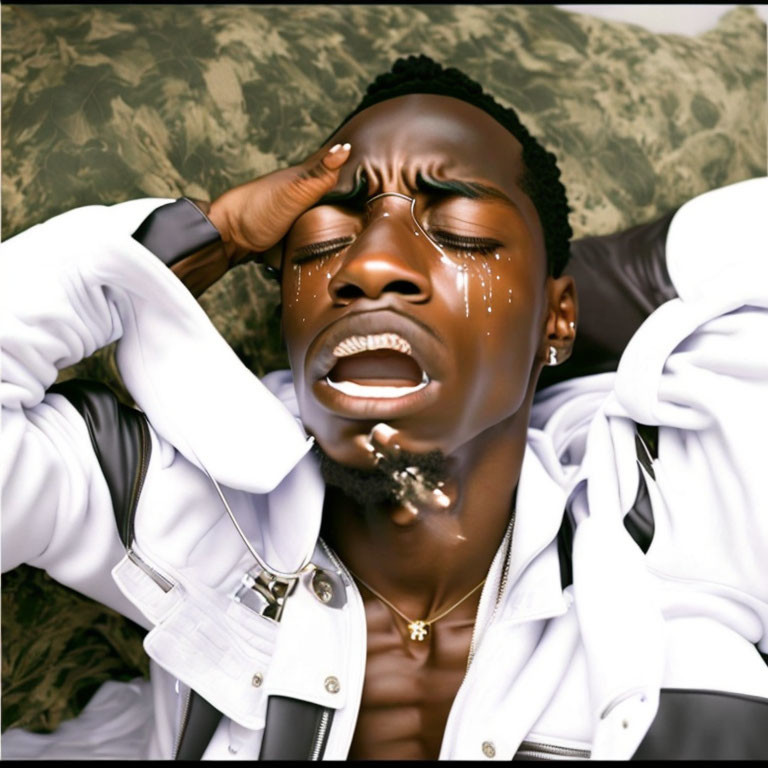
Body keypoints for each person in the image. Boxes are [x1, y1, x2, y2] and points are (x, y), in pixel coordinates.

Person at [2, 55, 767, 760]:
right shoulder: (182, 504)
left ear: (560, 318)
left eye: (459, 226)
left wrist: (537, 310)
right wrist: (209, 235)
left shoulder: (683, 499)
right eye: (329, 227)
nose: (369, 264)